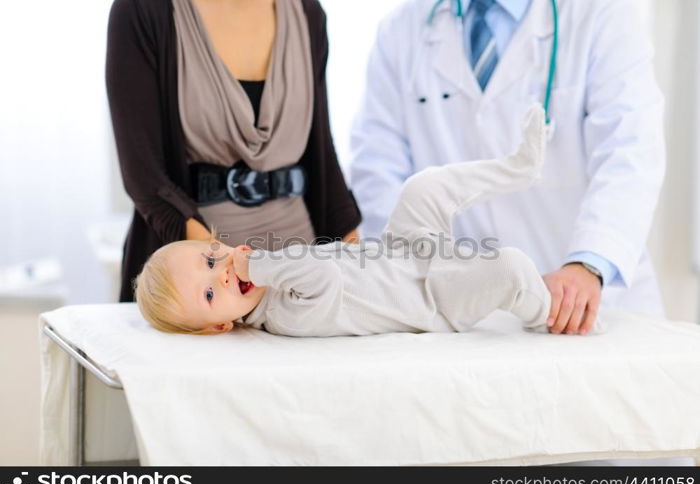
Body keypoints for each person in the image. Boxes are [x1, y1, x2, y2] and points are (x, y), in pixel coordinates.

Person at [133, 106, 600, 337]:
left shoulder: (270, 275)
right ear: (219, 327)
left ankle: (518, 167)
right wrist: (257, 267)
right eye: (211, 291)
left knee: (423, 187)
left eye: (213, 257)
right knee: (509, 266)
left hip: (399, 253)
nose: (225, 271)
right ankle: (548, 313)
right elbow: (323, 274)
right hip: (431, 299)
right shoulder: (284, 317)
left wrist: (260, 266)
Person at [349, 0, 666, 337]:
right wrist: (411, 272)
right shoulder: (402, 30)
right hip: (465, 313)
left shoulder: (601, 13)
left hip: (593, 304)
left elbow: (629, 151)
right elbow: (377, 167)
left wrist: (589, 262)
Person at [106, 0, 361, 303]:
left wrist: (356, 266)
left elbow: (320, 154)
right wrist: (224, 271)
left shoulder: (308, 13)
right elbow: (144, 175)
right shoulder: (142, 11)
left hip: (299, 266)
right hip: (202, 288)